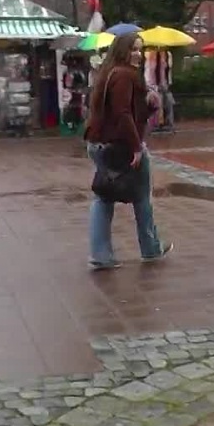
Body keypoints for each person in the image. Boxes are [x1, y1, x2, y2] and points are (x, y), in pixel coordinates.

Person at [84, 33, 173, 270]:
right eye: (133, 49)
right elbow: (123, 114)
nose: (138, 54)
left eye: (140, 50)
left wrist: (149, 105)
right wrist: (136, 147)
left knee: (103, 197)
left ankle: (100, 255)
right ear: (122, 50)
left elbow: (126, 112)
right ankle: (151, 249)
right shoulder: (125, 75)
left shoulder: (108, 72)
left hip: (99, 144)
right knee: (141, 196)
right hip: (119, 145)